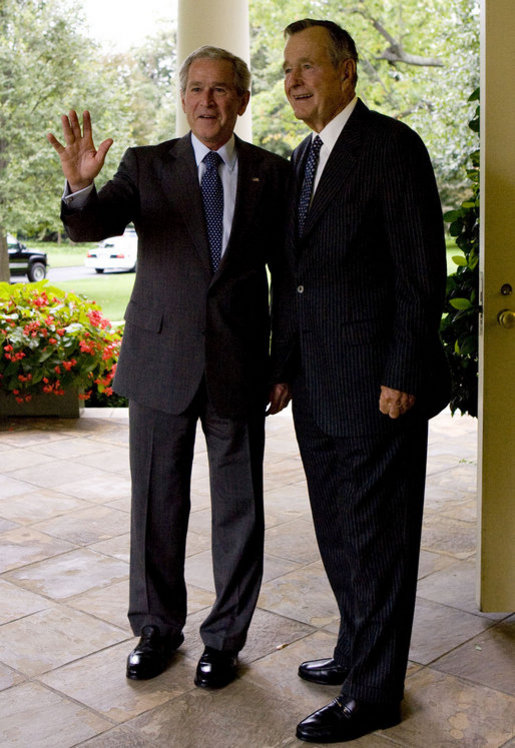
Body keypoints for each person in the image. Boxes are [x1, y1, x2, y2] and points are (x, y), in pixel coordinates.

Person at [48, 46, 290, 689]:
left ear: (241, 99)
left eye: (220, 90)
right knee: (156, 504)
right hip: (160, 363)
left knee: (239, 510)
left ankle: (225, 639)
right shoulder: (146, 165)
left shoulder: (274, 172)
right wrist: (79, 186)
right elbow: (90, 225)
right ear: (183, 98)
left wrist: (283, 362)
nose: (206, 101)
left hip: (240, 366)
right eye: (195, 89)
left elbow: (287, 278)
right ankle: (156, 630)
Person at [274, 18, 450, 743]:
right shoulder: (301, 158)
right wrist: (283, 368)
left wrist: (402, 371)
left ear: (345, 71)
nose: (293, 80)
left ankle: (374, 694)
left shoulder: (391, 147)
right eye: (286, 69)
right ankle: (355, 649)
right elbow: (294, 280)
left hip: (378, 388)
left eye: (307, 66)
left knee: (378, 541)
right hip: (315, 388)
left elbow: (420, 271)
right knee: (339, 531)